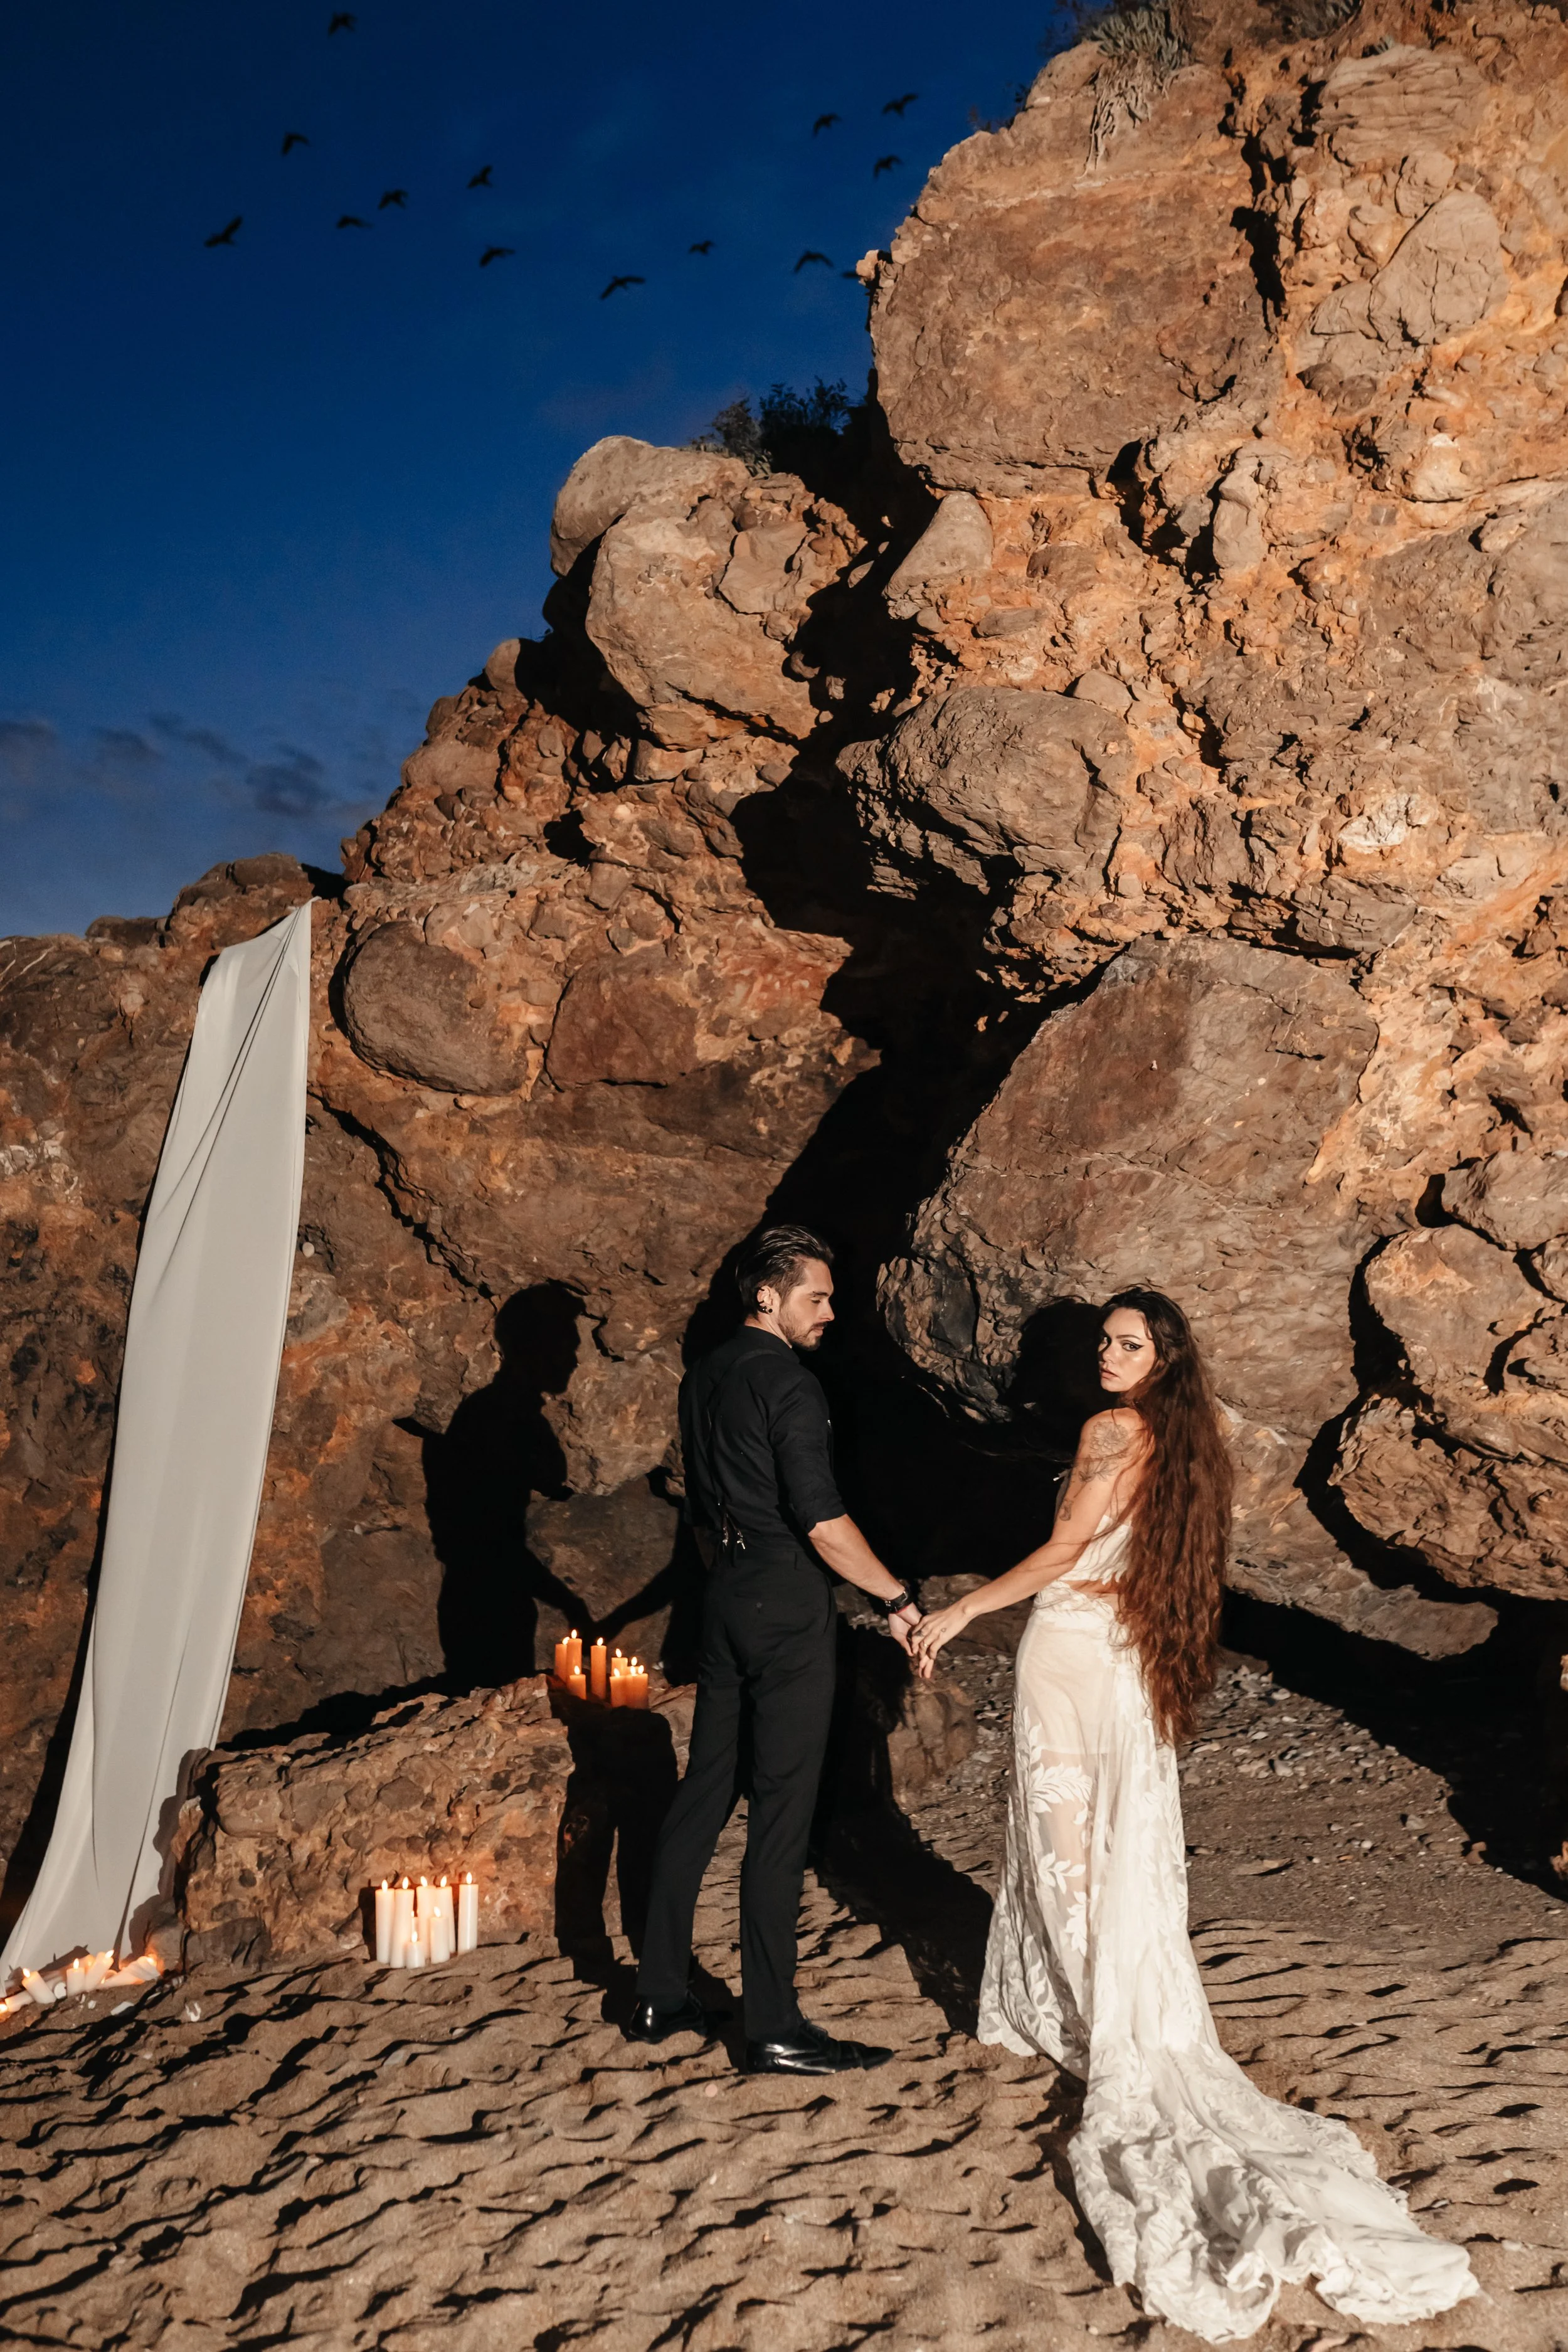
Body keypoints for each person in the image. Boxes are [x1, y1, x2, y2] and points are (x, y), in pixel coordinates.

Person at [911, 1288, 1476, 2342]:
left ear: (1163, 1354)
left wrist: (962, 1607)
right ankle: (1107, 2011)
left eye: (1130, 1341)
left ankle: (1093, 2020)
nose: (1109, 1353)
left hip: (1074, 1653)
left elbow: (1064, 1553)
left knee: (1065, 1850)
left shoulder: (1108, 1427)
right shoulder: (1188, 1439)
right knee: (1111, 1851)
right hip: (1128, 1661)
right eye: (1105, 1340)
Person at [627, 1224, 923, 2075]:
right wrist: (897, 1599)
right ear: (767, 1295)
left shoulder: (705, 1374)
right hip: (788, 1608)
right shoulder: (789, 1384)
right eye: (817, 1296)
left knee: (707, 1787)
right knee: (783, 1812)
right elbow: (824, 1523)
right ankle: (772, 2024)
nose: (831, 1312)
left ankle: (657, 1992)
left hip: (723, 1598)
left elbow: (701, 1506)